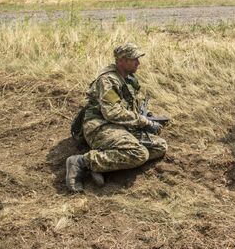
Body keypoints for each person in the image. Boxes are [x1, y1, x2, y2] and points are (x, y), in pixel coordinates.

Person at [65, 43, 168, 192]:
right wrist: (143, 121)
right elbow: (111, 112)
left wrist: (147, 116)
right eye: (134, 59)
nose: (138, 63)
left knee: (159, 146)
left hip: (120, 125)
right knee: (139, 153)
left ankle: (103, 164)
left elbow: (129, 104)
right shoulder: (108, 80)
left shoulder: (128, 78)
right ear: (120, 61)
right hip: (101, 125)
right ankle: (80, 162)